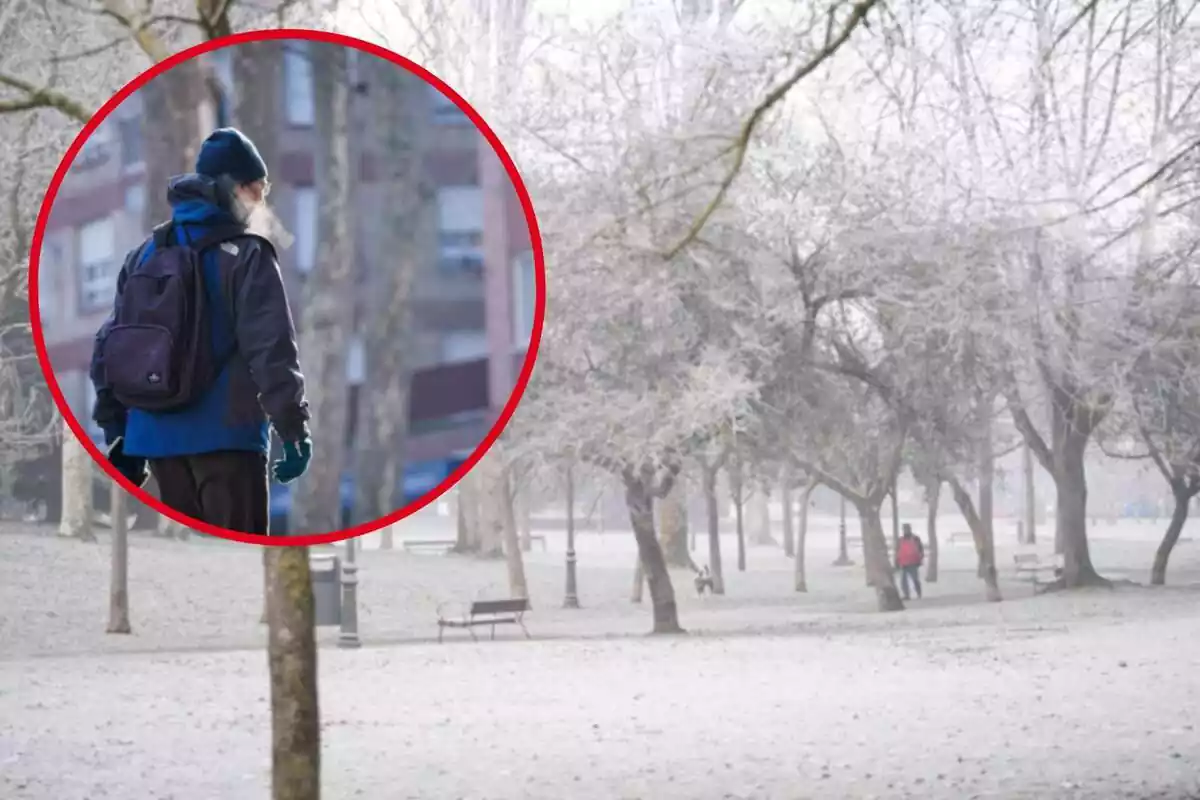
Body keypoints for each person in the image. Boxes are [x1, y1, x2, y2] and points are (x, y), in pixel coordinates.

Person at [90, 128, 312, 535]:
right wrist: (294, 429)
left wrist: (118, 431)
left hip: (155, 444)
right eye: (257, 189)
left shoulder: (144, 253)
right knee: (237, 566)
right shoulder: (248, 255)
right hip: (228, 440)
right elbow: (272, 350)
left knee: (189, 569)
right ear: (234, 187)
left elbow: (111, 345)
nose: (261, 200)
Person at [895, 523, 924, 600]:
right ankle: (907, 594)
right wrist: (897, 561)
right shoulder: (901, 540)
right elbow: (898, 551)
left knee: (915, 579)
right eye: (904, 529)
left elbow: (920, 549)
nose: (906, 531)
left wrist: (920, 559)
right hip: (904, 562)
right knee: (903, 580)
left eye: (907, 529)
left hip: (913, 562)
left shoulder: (915, 539)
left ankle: (918, 592)